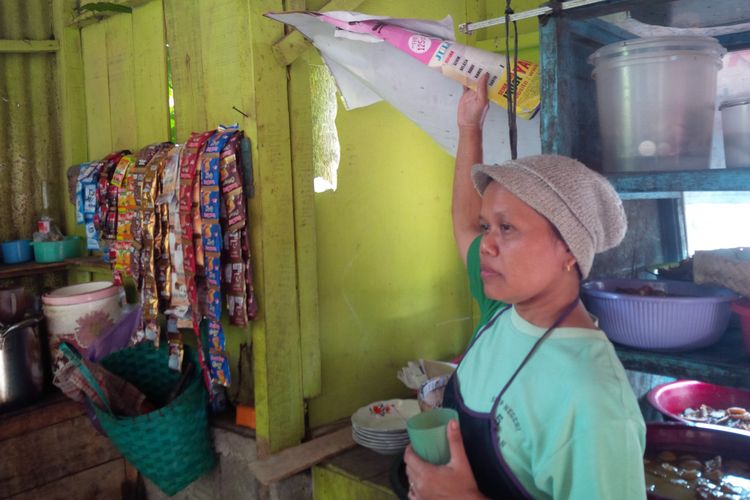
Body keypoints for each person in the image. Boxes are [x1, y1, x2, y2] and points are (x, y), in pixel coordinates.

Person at [403, 74, 647, 499]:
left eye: (508, 229)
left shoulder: (591, 400)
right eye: (488, 227)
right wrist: (468, 129)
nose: (486, 246)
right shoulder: (503, 312)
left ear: (569, 249)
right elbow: (464, 222)